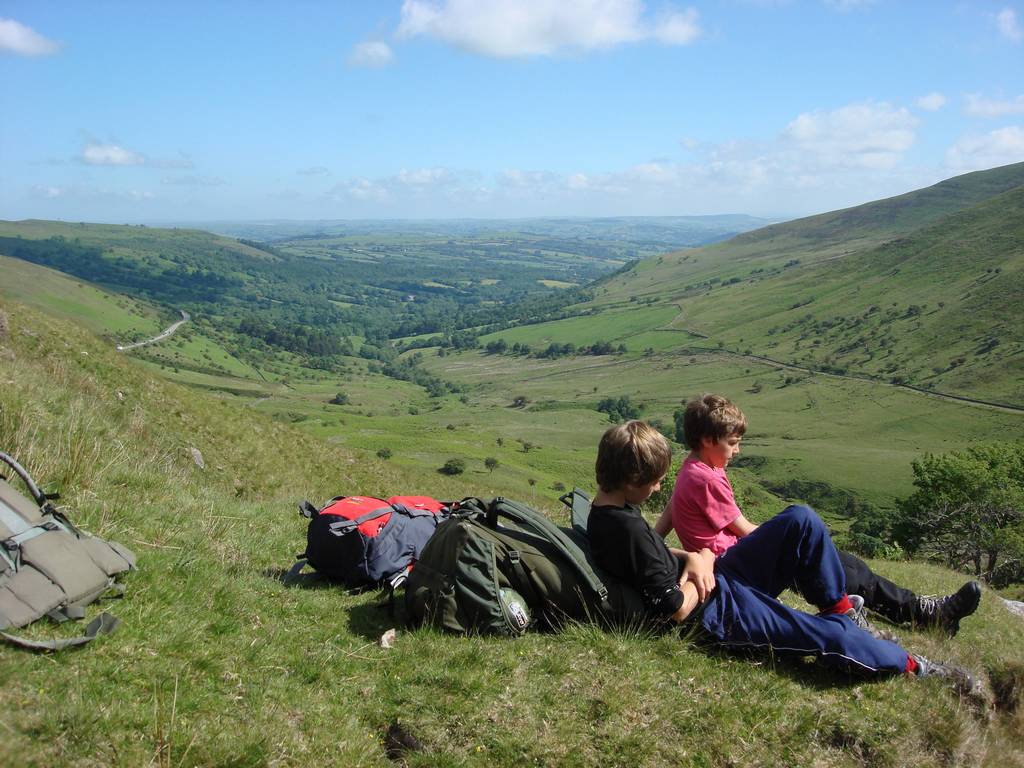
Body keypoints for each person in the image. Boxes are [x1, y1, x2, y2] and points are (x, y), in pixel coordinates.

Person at [587, 420, 977, 688]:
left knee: (800, 520)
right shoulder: (625, 527)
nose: (658, 490)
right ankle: (915, 666)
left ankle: (843, 609)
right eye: (655, 483)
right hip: (714, 613)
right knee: (826, 637)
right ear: (633, 479)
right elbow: (672, 607)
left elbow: (645, 558)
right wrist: (701, 564)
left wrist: (691, 557)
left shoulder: (609, 512)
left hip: (716, 580)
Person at [653, 394, 981, 635]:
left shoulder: (693, 467)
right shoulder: (706, 477)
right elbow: (746, 532)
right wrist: (792, 538)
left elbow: (670, 512)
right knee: (806, 529)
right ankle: (905, 613)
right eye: (733, 443)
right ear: (709, 440)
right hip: (733, 571)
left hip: (732, 565)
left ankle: (924, 614)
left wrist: (653, 545)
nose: (737, 450)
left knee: (841, 562)